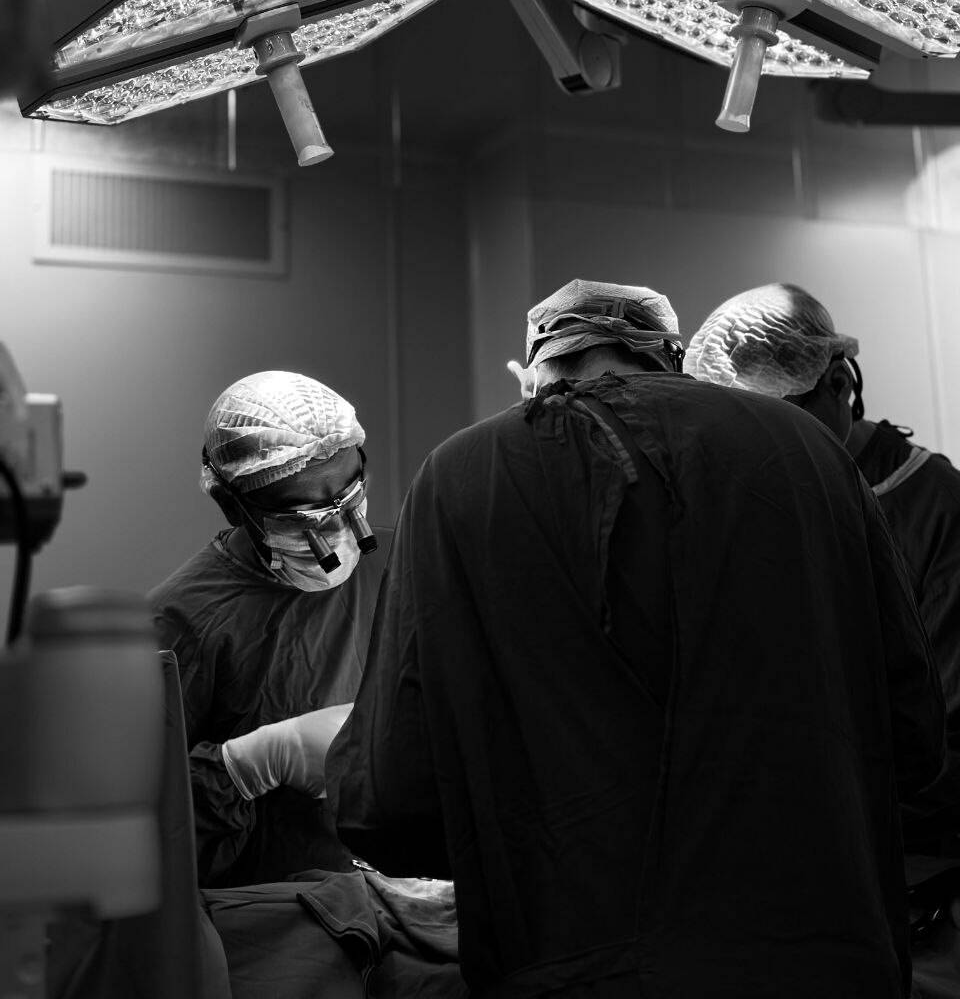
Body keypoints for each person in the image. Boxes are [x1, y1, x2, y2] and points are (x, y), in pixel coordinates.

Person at [326, 279, 945, 999]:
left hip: (578, 964)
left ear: (535, 374)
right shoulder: (809, 450)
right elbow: (912, 735)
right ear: (673, 359)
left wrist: (513, 856)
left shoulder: (459, 475)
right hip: (823, 954)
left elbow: (387, 799)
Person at [686, 283, 960, 863]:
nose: (758, 442)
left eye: (779, 419)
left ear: (838, 384)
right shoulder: (759, 500)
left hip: (910, 850)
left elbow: (942, 723)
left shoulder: (931, 504)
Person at [149, 369, 392, 887]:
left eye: (350, 497)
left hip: (400, 892)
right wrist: (247, 764)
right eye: (304, 514)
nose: (339, 531)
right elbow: (143, 832)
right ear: (232, 505)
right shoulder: (178, 621)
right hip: (268, 913)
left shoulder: (402, 562)